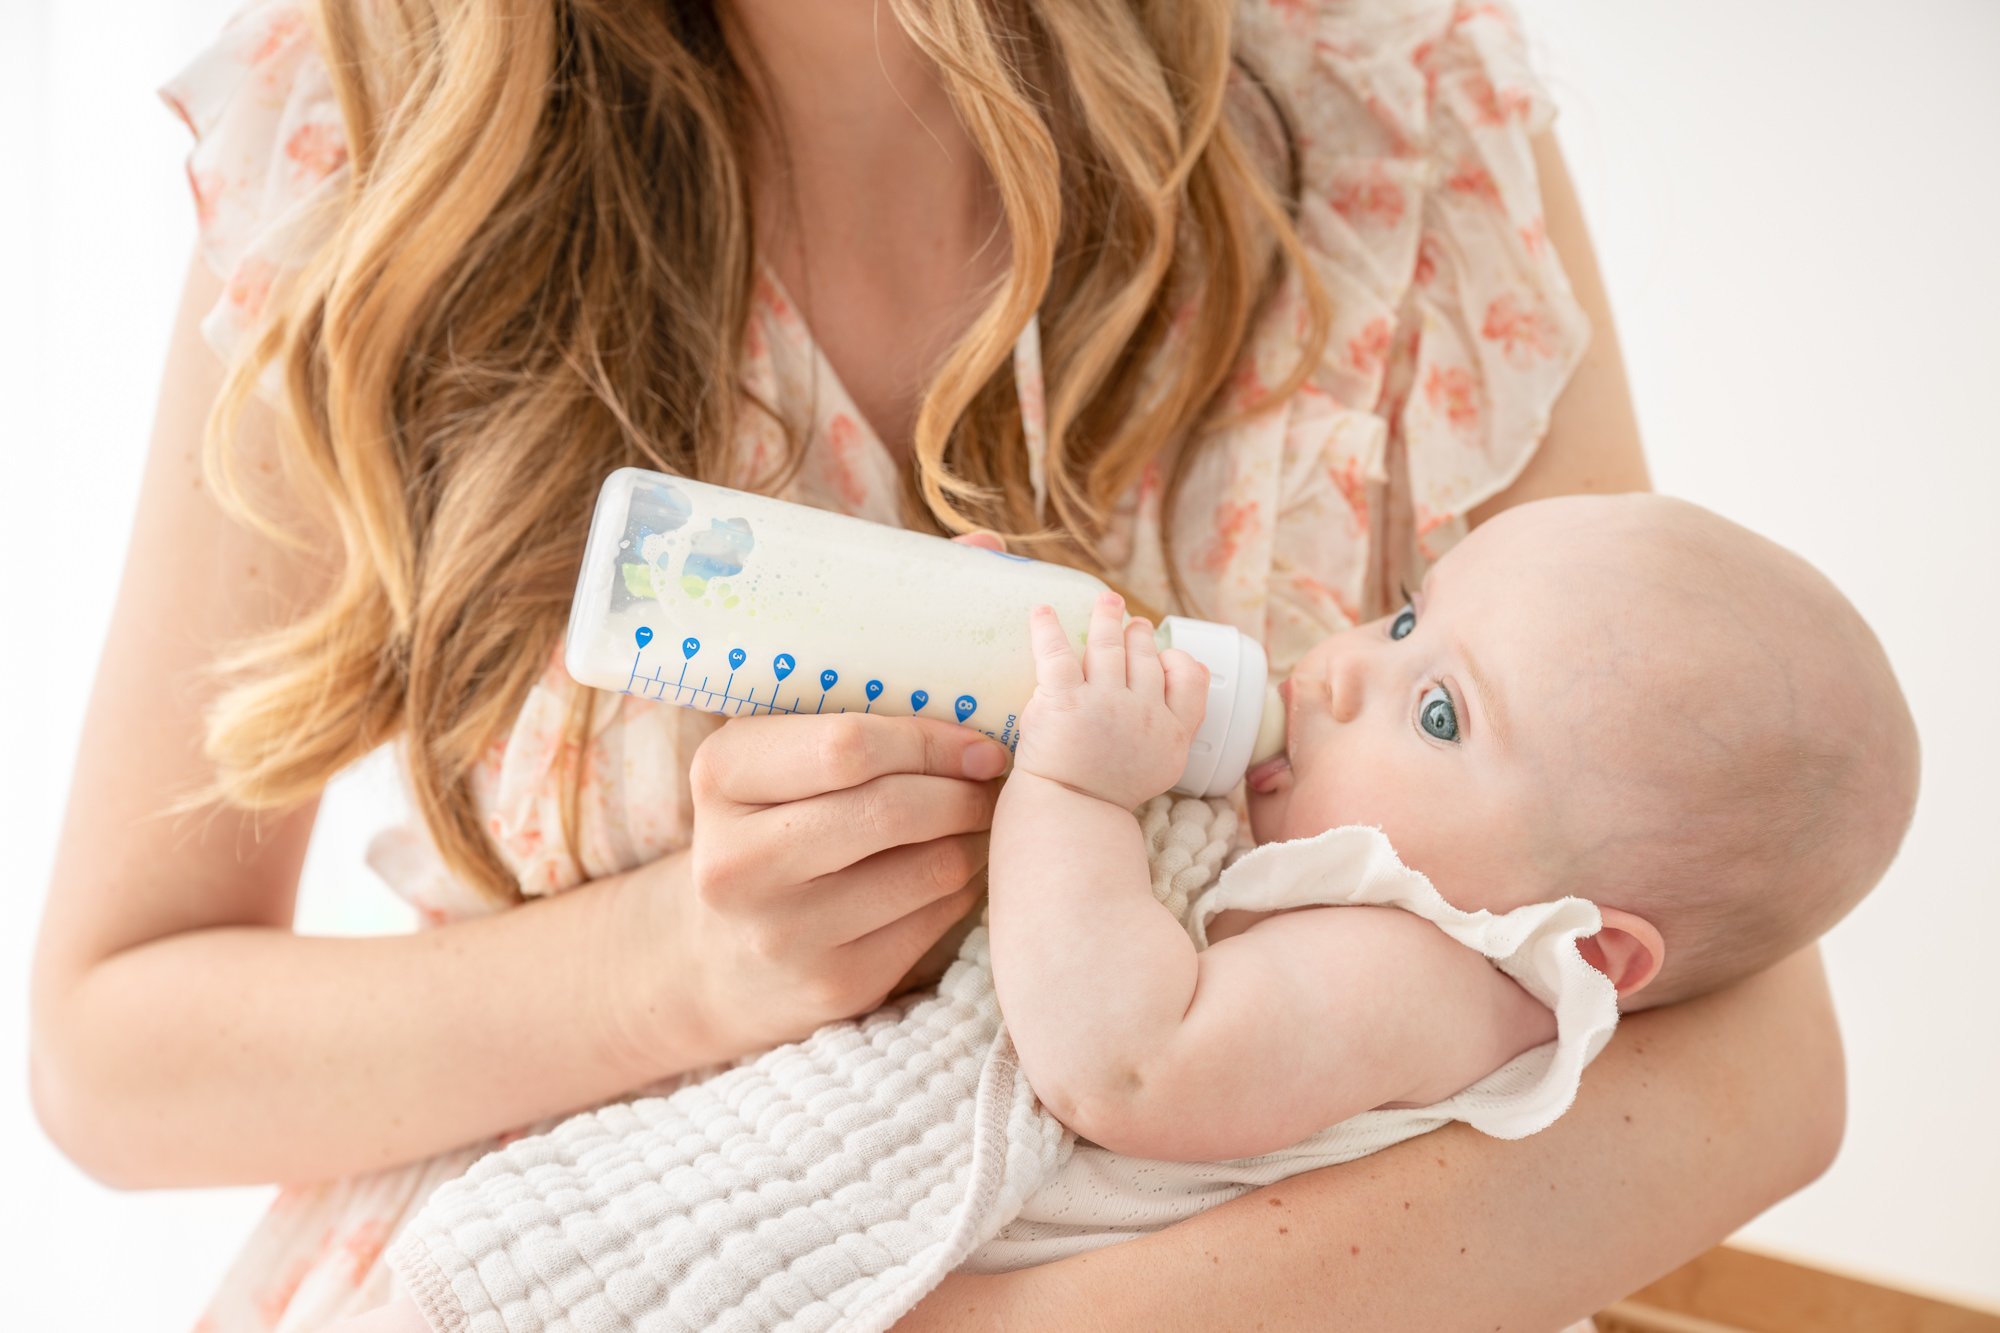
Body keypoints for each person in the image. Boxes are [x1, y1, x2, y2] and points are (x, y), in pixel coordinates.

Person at [24, 1, 1848, 1330]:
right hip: (569, 1273)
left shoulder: (1392, 115)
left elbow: (1750, 1050)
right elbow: (113, 1051)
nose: (1364, 675)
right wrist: (684, 965)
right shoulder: (371, 151)